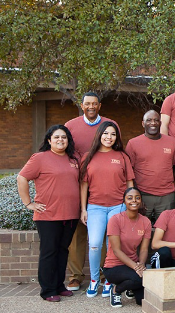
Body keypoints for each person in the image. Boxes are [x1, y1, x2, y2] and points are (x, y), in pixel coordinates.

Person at [16, 125, 82, 302]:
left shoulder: (74, 159)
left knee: (63, 251)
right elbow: (22, 177)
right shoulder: (40, 158)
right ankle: (48, 290)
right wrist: (28, 203)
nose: (61, 140)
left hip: (70, 215)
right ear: (49, 140)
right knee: (49, 252)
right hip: (48, 215)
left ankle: (59, 286)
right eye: (57, 137)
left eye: (64, 137)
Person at [64, 92, 118, 291]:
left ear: (100, 105)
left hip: (101, 188)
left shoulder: (110, 124)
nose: (91, 107)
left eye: (95, 104)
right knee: (77, 232)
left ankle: (105, 273)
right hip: (75, 183)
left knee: (102, 233)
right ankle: (76, 275)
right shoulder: (71, 126)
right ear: (82, 105)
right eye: (87, 104)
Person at [79, 121, 135, 298]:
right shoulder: (88, 157)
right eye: (106, 134)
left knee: (113, 245)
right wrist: (83, 209)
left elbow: (130, 184)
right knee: (95, 244)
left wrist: (129, 207)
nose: (109, 137)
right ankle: (95, 280)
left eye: (112, 134)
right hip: (95, 206)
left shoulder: (122, 156)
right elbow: (84, 185)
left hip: (118, 206)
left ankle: (110, 280)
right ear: (99, 135)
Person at [126, 110, 175, 224]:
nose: (153, 123)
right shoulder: (133, 143)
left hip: (166, 196)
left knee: (166, 231)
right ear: (143, 123)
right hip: (143, 195)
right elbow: (129, 172)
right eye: (149, 120)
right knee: (140, 230)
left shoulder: (171, 142)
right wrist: (136, 196)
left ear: (160, 123)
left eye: (156, 120)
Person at [105, 188, 152, 308]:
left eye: (137, 197)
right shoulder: (115, 220)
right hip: (114, 266)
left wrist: (141, 264)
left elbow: (144, 249)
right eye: (129, 198)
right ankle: (116, 290)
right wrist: (136, 268)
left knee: (141, 301)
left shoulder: (145, 221)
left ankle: (130, 286)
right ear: (124, 201)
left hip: (133, 265)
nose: (134, 201)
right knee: (138, 278)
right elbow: (116, 250)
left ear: (141, 201)